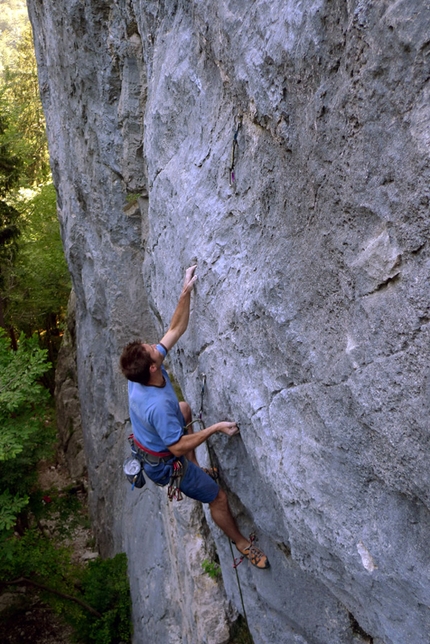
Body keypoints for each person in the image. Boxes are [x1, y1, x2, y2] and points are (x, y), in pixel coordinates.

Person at [120, 265, 269, 569]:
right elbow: (175, 448)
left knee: (185, 409)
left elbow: (176, 328)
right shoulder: (156, 407)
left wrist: (185, 291)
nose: (156, 347)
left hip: (157, 443)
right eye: (152, 351)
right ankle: (241, 543)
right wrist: (214, 428)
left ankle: (198, 468)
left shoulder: (141, 375)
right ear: (151, 368)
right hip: (164, 464)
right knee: (218, 498)